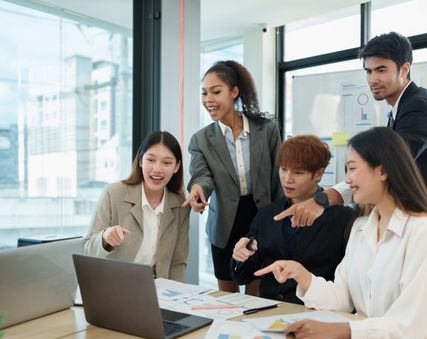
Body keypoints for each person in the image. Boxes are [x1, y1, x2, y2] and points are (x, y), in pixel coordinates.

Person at [275, 32, 427, 293]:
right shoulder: (399, 110)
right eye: (368, 71)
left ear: (405, 68)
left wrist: (326, 199)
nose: (373, 79)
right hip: (417, 221)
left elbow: (390, 165)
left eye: (381, 70)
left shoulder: (419, 107)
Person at [257, 127, 427, 339]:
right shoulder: (361, 228)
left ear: (382, 171)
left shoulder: (423, 232)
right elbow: (342, 299)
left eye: (352, 169)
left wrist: (339, 330)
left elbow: (408, 326)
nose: (347, 182)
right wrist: (301, 275)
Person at [183, 60, 281, 293]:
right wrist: (198, 188)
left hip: (260, 216)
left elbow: (278, 177)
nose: (208, 100)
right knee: (226, 293)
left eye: (216, 91)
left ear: (234, 92)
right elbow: (202, 175)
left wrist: (278, 222)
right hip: (225, 222)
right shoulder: (201, 139)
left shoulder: (266, 129)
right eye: (204, 93)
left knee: (256, 290)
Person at [231, 135, 356, 304]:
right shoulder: (267, 214)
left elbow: (350, 287)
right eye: (283, 169)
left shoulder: (343, 218)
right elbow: (243, 277)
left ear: (318, 174)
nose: (287, 179)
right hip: (270, 312)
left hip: (319, 312)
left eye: (298, 172)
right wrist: (240, 256)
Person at [84, 131, 189, 282]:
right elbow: (87, 250)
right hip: (113, 285)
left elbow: (177, 263)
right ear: (140, 161)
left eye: (167, 163)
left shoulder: (181, 205)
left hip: (157, 290)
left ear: (176, 167)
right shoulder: (113, 193)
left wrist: (175, 299)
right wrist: (105, 237)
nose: (157, 169)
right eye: (151, 160)